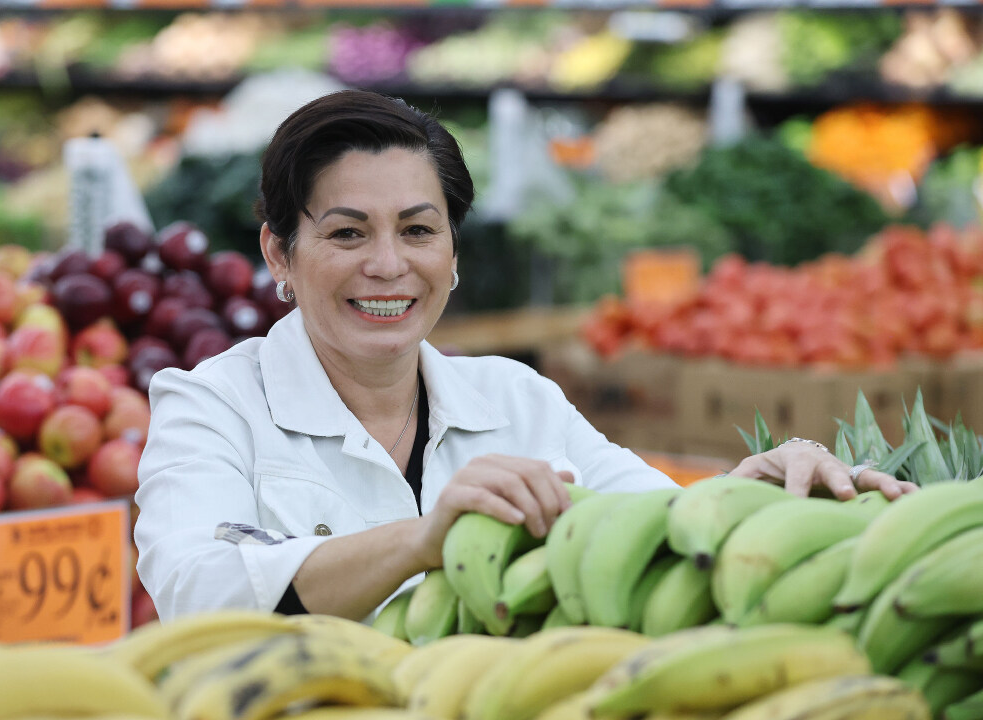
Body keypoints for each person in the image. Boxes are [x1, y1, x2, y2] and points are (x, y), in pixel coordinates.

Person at [134, 90, 916, 623]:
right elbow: (194, 588)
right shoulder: (212, 404)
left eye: (417, 230)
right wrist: (421, 539)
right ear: (278, 251)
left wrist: (761, 485)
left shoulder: (516, 399)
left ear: (453, 249)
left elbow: (655, 519)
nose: (387, 264)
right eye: (346, 233)